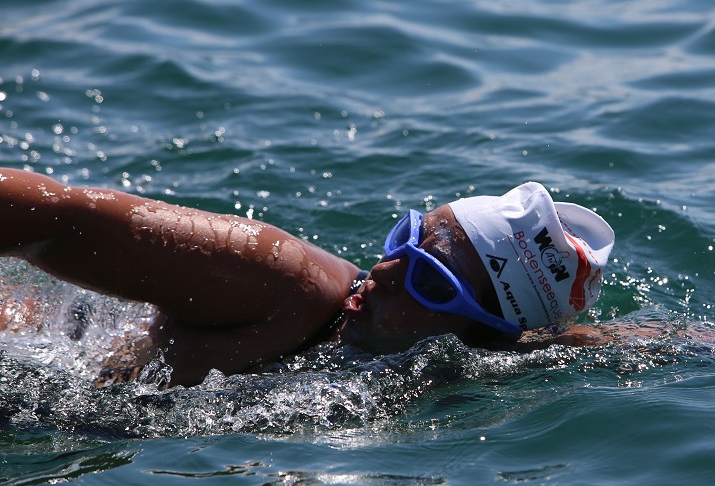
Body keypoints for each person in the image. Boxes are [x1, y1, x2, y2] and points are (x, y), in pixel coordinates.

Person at [0, 169, 615, 387]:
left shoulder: (483, 358)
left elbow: (585, 344)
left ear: (483, 335)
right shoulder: (281, 279)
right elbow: (57, 217)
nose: (384, 270)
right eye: (406, 240)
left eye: (429, 280)